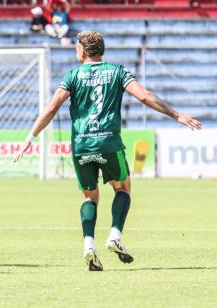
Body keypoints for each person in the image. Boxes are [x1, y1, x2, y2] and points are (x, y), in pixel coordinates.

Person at [14, 31, 202, 271]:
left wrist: (31, 136)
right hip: (109, 144)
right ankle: (114, 236)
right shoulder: (117, 72)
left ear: (82, 50)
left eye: (76, 48)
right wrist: (177, 115)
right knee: (122, 188)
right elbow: (144, 96)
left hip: (82, 145)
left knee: (89, 196)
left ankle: (88, 245)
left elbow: (52, 108)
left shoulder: (73, 75)